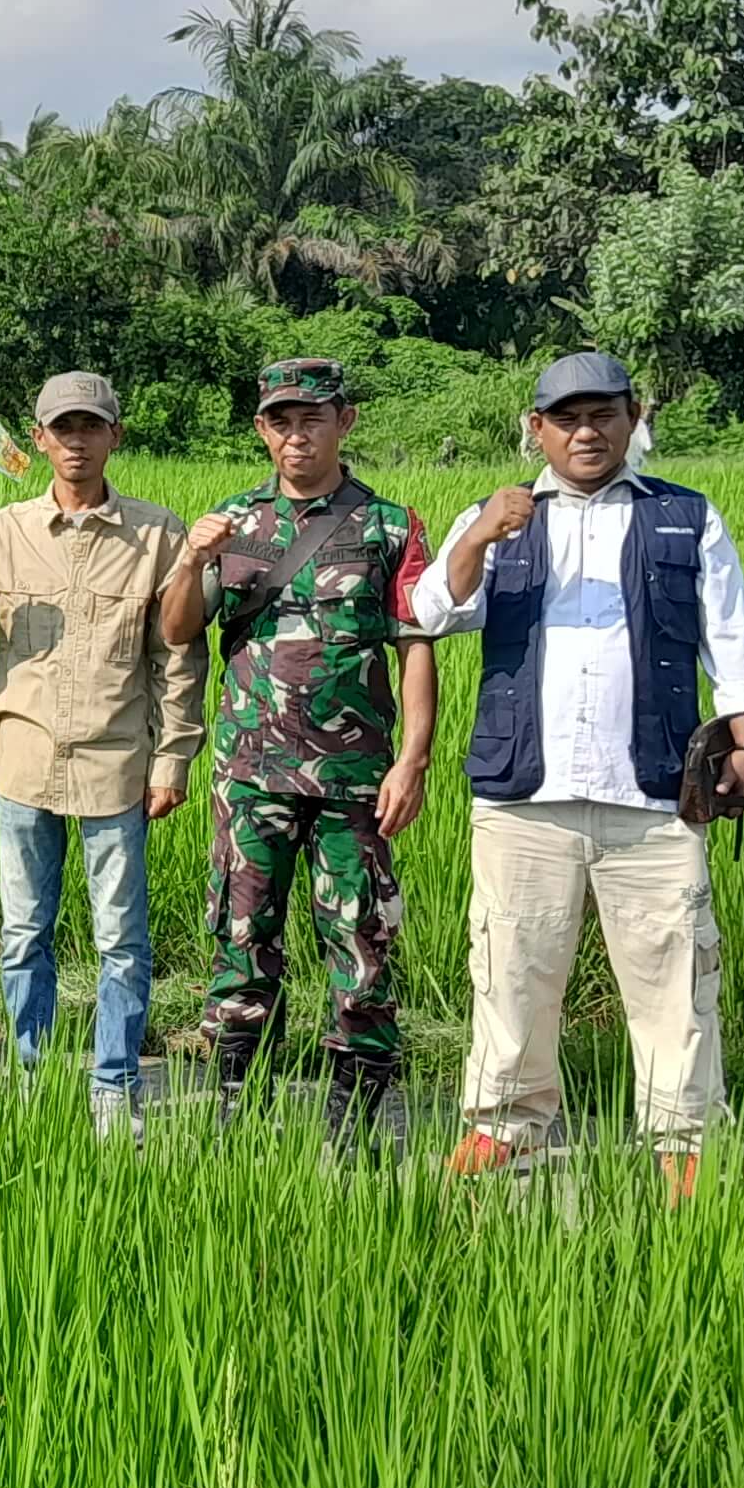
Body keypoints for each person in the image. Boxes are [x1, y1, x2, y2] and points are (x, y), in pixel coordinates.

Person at [411, 351, 744, 1199]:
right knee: (512, 965)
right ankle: (504, 1125)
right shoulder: (501, 518)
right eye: (565, 418)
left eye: (602, 414)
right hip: (524, 792)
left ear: (632, 417)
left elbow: (733, 638)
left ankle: (682, 1138)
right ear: (535, 429)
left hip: (651, 791)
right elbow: (430, 611)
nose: (585, 431)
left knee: (674, 969)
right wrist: (476, 536)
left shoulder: (685, 518)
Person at [0, 371, 208, 1140]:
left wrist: (173, 759)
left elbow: (178, 656)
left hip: (115, 765)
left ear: (114, 437)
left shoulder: (157, 535)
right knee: (24, 933)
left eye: (90, 427)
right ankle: (32, 1075)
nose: (76, 441)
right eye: (61, 428)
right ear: (37, 440)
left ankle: (114, 1084)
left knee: (121, 940)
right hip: (25, 761)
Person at [155, 358, 440, 1148]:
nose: (296, 435)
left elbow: (416, 646)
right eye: (281, 421)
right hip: (251, 773)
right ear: (261, 430)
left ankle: (353, 1124)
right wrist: (191, 558)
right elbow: (178, 630)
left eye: (312, 418)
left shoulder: (389, 525)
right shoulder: (233, 523)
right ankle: (236, 1109)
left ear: (343, 422)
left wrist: (412, 760)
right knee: (242, 936)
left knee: (360, 939)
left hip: (355, 778)